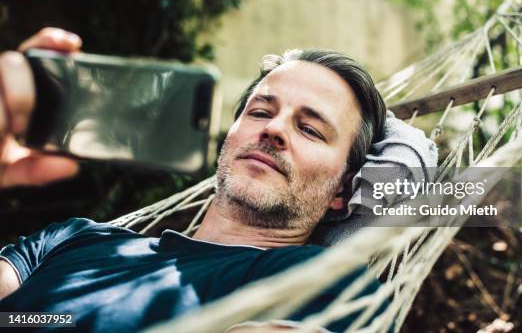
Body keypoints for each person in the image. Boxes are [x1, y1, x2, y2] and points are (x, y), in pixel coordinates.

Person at [0, 28, 388, 332]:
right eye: (258, 112)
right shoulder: (75, 239)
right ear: (229, 137)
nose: (273, 129)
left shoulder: (327, 282)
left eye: (309, 129)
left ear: (341, 190)